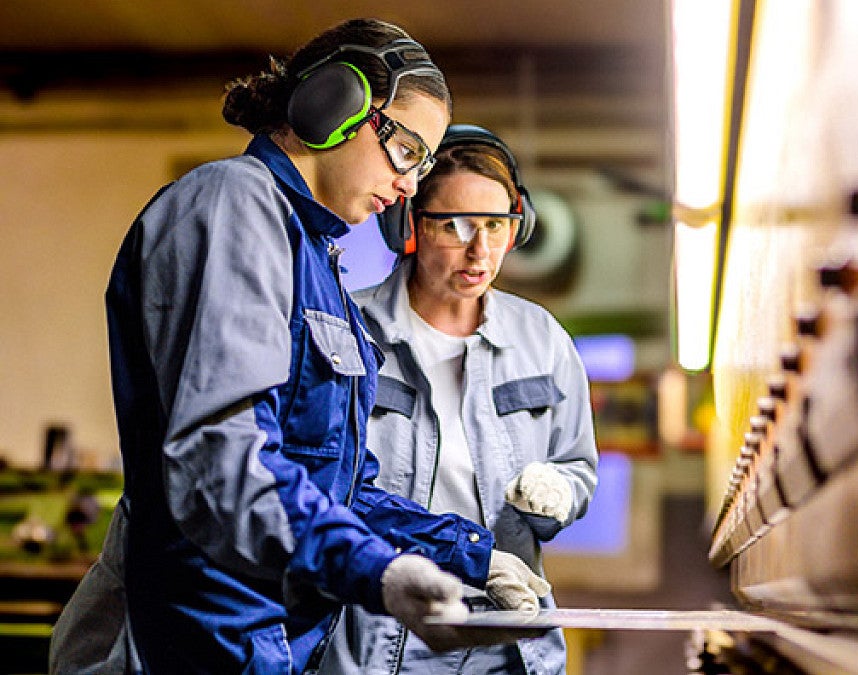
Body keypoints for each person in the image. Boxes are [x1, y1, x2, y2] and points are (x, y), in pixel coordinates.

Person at [48, 18, 550, 675]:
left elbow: (339, 490)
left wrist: (470, 553)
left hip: (254, 643)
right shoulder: (232, 207)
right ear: (335, 104)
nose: (408, 185)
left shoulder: (320, 264)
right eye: (405, 151)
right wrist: (378, 570)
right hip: (186, 639)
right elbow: (221, 460)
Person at [319, 125, 599, 674]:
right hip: (381, 633)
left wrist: (560, 491)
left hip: (510, 634)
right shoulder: (348, 331)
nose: (480, 249)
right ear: (408, 225)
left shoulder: (542, 339)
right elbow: (328, 488)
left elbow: (578, 466)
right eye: (455, 225)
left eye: (496, 225)